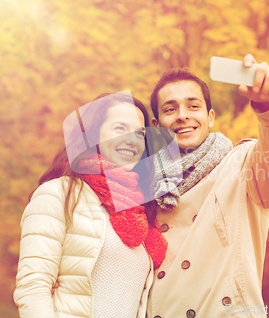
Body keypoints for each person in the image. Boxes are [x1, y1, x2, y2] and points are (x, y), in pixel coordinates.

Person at [147, 54, 269, 318]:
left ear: (210, 117)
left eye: (193, 106)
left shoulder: (243, 167)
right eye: (170, 109)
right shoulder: (142, 186)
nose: (182, 115)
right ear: (156, 126)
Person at [13, 93, 167, 318]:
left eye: (140, 133)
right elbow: (33, 289)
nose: (132, 140)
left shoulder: (141, 211)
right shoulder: (59, 194)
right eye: (119, 128)